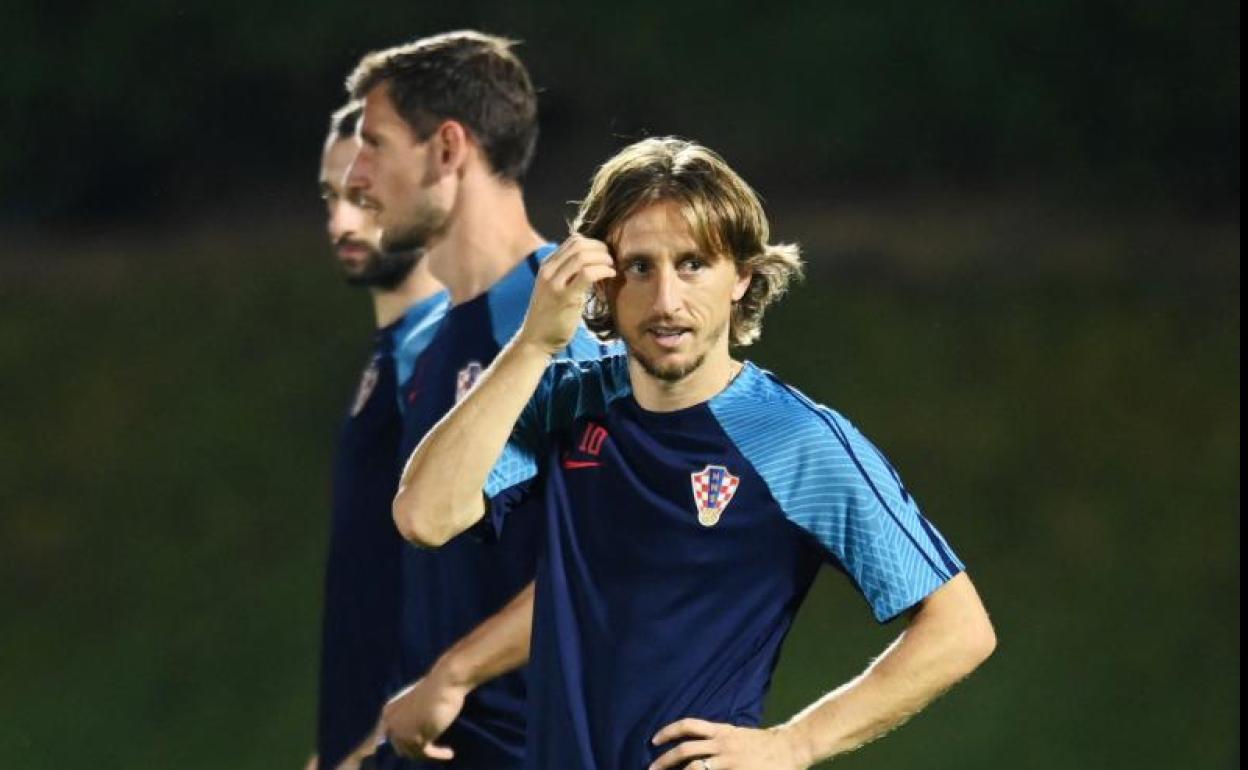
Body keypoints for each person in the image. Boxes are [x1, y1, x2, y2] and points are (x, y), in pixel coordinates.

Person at [390, 137, 997, 770]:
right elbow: (425, 518)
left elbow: (959, 628)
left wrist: (795, 744)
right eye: (640, 267)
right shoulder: (565, 402)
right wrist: (534, 345)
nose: (665, 302)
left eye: (693, 264)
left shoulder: (792, 438)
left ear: (742, 277)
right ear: (601, 280)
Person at [341, 31, 606, 769]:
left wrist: (455, 673)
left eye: (376, 144)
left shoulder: (569, 318)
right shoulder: (429, 339)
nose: (357, 175)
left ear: (449, 148)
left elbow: (620, 554)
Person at [312, 102, 448, 770]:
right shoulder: (393, 350)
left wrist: (374, 746)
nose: (341, 222)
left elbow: (462, 581)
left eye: (363, 199)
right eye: (331, 198)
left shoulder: (443, 355)